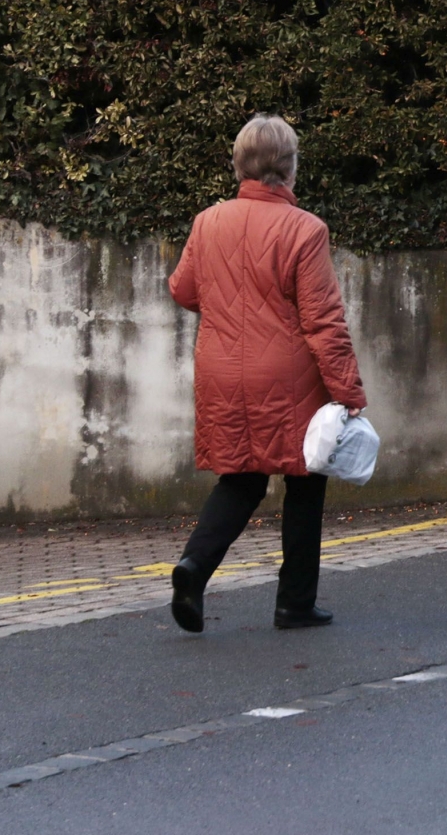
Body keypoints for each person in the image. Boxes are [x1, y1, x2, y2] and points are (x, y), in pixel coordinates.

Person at [166, 114, 367, 633]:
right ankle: (294, 603)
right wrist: (348, 391)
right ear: (290, 168)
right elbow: (323, 320)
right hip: (289, 377)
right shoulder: (305, 229)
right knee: (304, 481)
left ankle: (194, 567)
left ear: (239, 164)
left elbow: (184, 291)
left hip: (221, 370)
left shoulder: (207, 221)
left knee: (240, 478)